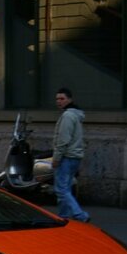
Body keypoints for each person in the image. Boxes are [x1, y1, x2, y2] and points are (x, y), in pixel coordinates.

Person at [52, 88, 90, 222]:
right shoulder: (75, 115)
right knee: (66, 188)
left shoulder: (68, 116)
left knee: (61, 189)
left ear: (69, 100)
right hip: (74, 156)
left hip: (66, 157)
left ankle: (80, 215)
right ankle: (63, 216)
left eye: (62, 99)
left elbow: (63, 140)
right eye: (57, 99)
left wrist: (56, 158)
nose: (59, 101)